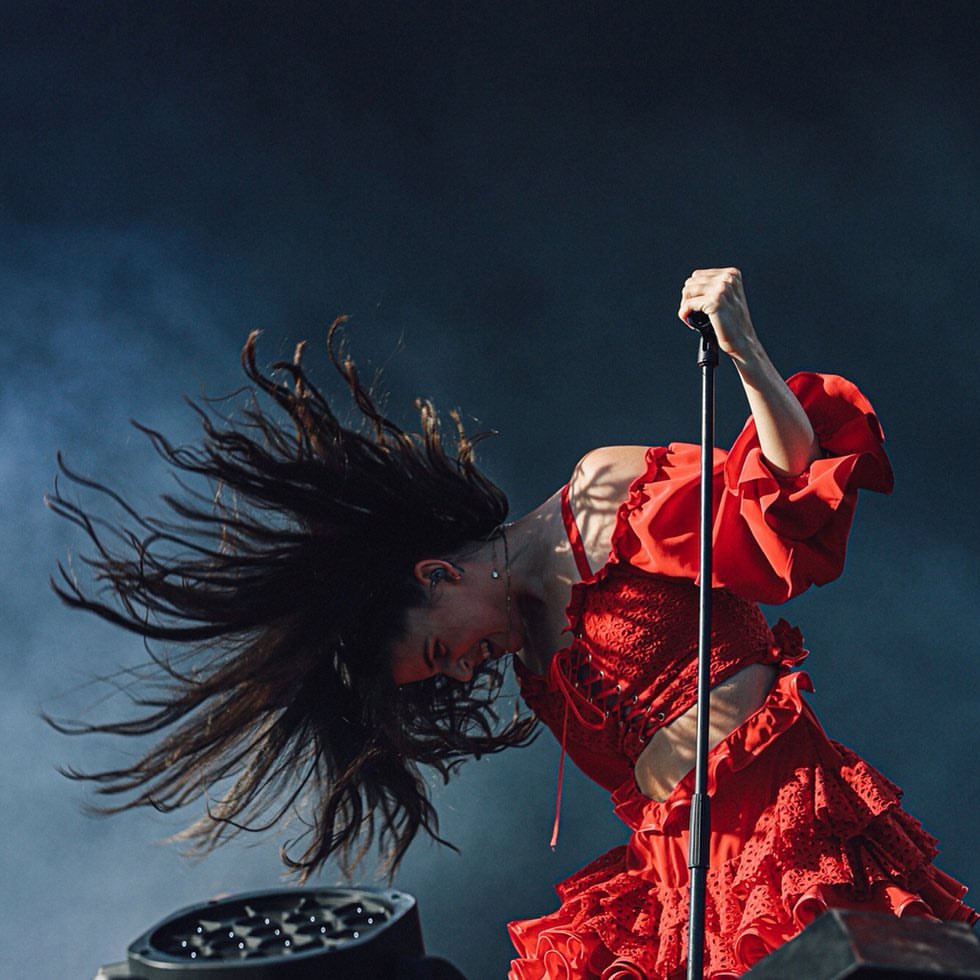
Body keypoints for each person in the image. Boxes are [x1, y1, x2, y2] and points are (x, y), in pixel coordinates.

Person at [50, 269, 975, 979]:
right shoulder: (535, 661)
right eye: (446, 675)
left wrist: (742, 349)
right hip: (682, 880)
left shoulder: (605, 502)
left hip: (780, 832)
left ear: (436, 574)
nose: (465, 673)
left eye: (441, 652)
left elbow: (789, 491)